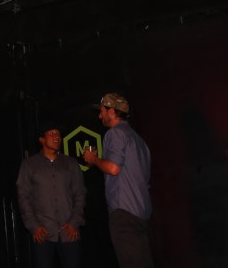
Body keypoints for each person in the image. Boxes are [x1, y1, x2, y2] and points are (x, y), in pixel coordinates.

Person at [82, 93, 153, 268]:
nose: (100, 116)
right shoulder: (138, 140)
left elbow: (113, 168)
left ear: (112, 111)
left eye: (102, 111)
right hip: (142, 213)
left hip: (124, 213)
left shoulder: (115, 134)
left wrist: (94, 159)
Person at [17, 124, 86, 268]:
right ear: (42, 140)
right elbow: (23, 197)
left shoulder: (71, 163)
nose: (57, 137)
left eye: (58, 134)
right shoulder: (29, 164)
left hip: (69, 231)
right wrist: (34, 226)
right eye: (52, 134)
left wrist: (75, 222)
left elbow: (80, 193)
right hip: (43, 232)